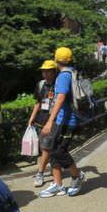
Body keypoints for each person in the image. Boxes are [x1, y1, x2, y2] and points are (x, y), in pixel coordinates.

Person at [39, 48, 86, 198]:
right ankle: (58, 184)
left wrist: (49, 121)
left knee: (58, 151)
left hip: (66, 120)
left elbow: (60, 98)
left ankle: (77, 176)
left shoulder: (64, 76)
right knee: (53, 150)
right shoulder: (72, 72)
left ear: (56, 59)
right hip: (63, 119)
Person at [28, 60, 58, 188]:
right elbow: (38, 102)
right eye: (43, 71)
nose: (44, 73)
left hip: (53, 121)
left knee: (46, 147)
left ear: (54, 72)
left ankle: (40, 173)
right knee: (44, 147)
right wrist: (31, 118)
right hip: (41, 120)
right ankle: (54, 166)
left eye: (47, 71)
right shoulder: (41, 85)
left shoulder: (59, 85)